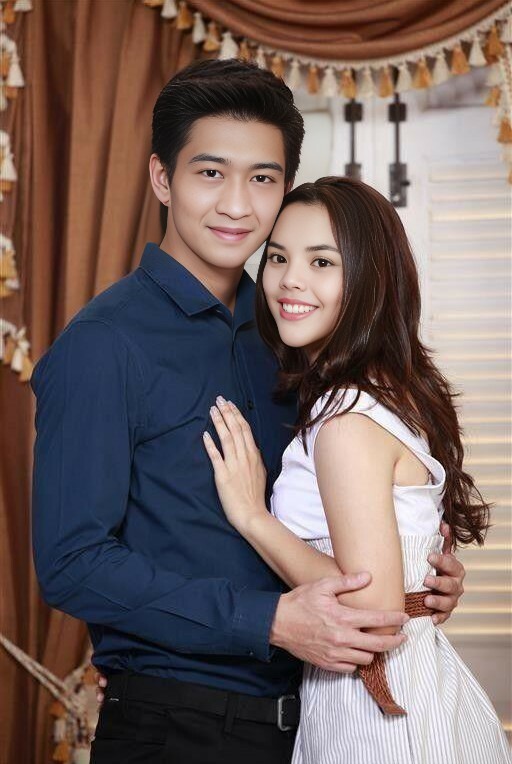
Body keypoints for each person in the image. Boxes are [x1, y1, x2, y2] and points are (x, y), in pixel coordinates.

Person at [31, 60, 465, 764]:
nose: (237, 205)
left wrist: (418, 582)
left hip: (319, 717)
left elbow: (344, 508)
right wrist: (266, 621)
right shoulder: (103, 345)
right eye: (210, 173)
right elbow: (72, 564)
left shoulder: (293, 331)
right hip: (180, 726)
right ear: (162, 179)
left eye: (262, 178)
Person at [203, 176, 511, 764]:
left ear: (371, 279)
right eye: (278, 258)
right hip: (410, 689)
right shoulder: (387, 394)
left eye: (322, 262)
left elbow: (372, 613)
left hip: (374, 713)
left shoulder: (345, 419)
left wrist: (251, 516)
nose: (290, 280)